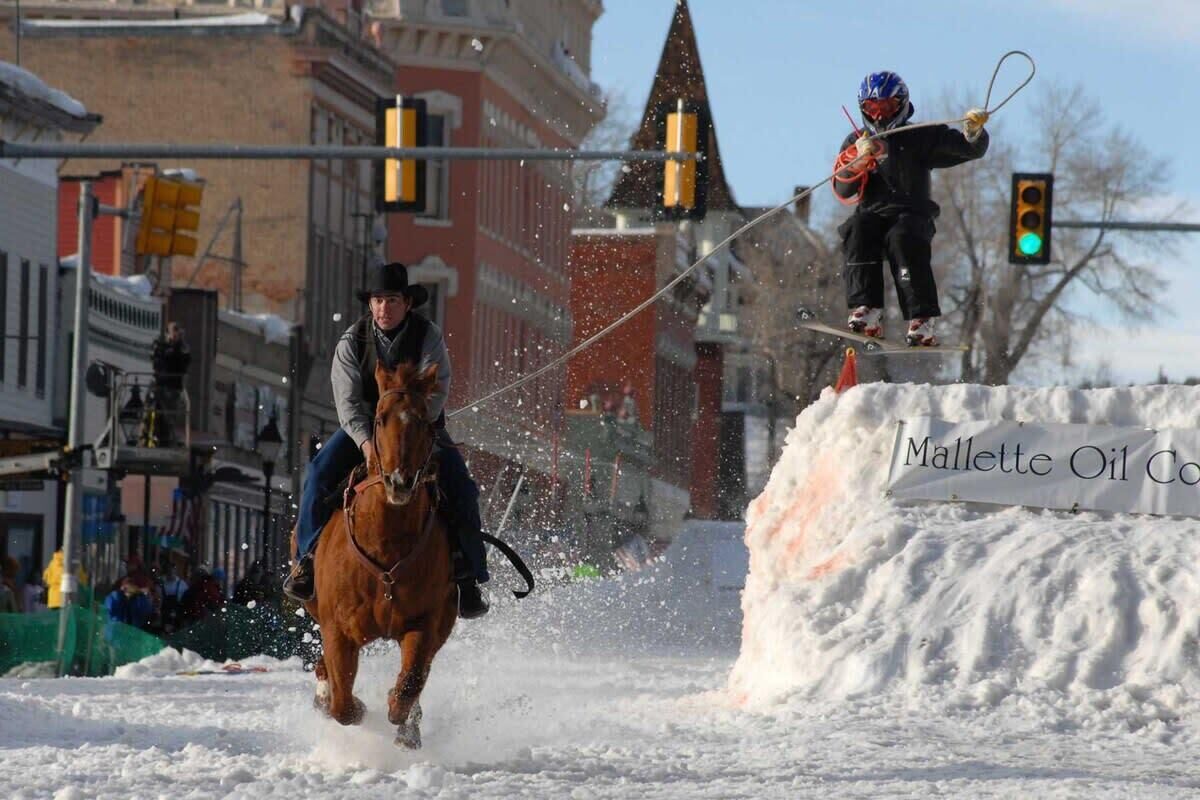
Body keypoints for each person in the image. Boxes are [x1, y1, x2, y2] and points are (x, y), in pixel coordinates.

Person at [283, 262, 490, 618]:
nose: (384, 308)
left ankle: (469, 576)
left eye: (392, 300)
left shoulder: (428, 336)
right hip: (364, 430)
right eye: (378, 300)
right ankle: (306, 562)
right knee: (316, 475)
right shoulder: (351, 341)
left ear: (407, 303)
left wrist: (415, 422)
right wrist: (368, 444)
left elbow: (438, 387)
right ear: (370, 304)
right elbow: (347, 403)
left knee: (462, 488)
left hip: (418, 428)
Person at [832, 71, 990, 347]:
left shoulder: (919, 135)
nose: (879, 115)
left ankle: (921, 318)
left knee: (902, 238)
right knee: (857, 229)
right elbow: (842, 188)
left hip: (911, 215)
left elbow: (967, 149)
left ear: (901, 104)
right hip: (873, 215)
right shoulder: (856, 141)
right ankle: (867, 309)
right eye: (872, 108)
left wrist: (973, 133)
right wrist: (857, 161)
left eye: (886, 107)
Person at [149, 321, 191, 445]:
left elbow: (185, 362)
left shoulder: (181, 348)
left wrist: (179, 344)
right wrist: (174, 346)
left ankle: (167, 438)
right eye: (174, 331)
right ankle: (155, 436)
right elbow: (162, 360)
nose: (175, 334)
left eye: (177, 331)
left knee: (170, 416)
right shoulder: (160, 346)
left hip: (174, 388)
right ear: (167, 333)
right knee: (157, 413)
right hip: (161, 385)